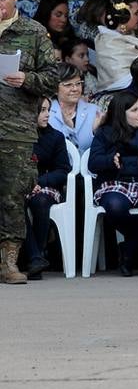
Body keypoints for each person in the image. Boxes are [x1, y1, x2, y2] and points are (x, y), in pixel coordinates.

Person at [0, 0, 62, 285]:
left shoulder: (33, 32)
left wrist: (27, 79)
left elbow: (53, 77)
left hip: (15, 129)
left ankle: (9, 262)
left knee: (12, 197)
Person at [88, 90, 138, 276]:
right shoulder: (106, 133)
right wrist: (110, 161)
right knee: (115, 205)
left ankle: (129, 250)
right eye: (134, 110)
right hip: (114, 183)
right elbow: (93, 163)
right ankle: (136, 247)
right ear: (121, 113)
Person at [24, 97, 71, 279]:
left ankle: (37, 256)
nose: (46, 115)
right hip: (18, 184)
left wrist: (39, 182)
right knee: (14, 203)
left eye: (48, 110)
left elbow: (63, 170)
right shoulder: (14, 135)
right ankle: (35, 257)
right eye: (42, 110)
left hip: (45, 185)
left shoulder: (55, 137)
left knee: (40, 201)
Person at [94, 0, 138, 94]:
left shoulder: (128, 38)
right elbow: (121, 79)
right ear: (123, 16)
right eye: (136, 13)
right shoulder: (107, 42)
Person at [48, 62, 101, 151]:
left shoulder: (94, 111)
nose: (75, 89)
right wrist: (68, 128)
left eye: (78, 83)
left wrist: (95, 132)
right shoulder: (47, 112)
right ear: (55, 88)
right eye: (68, 85)